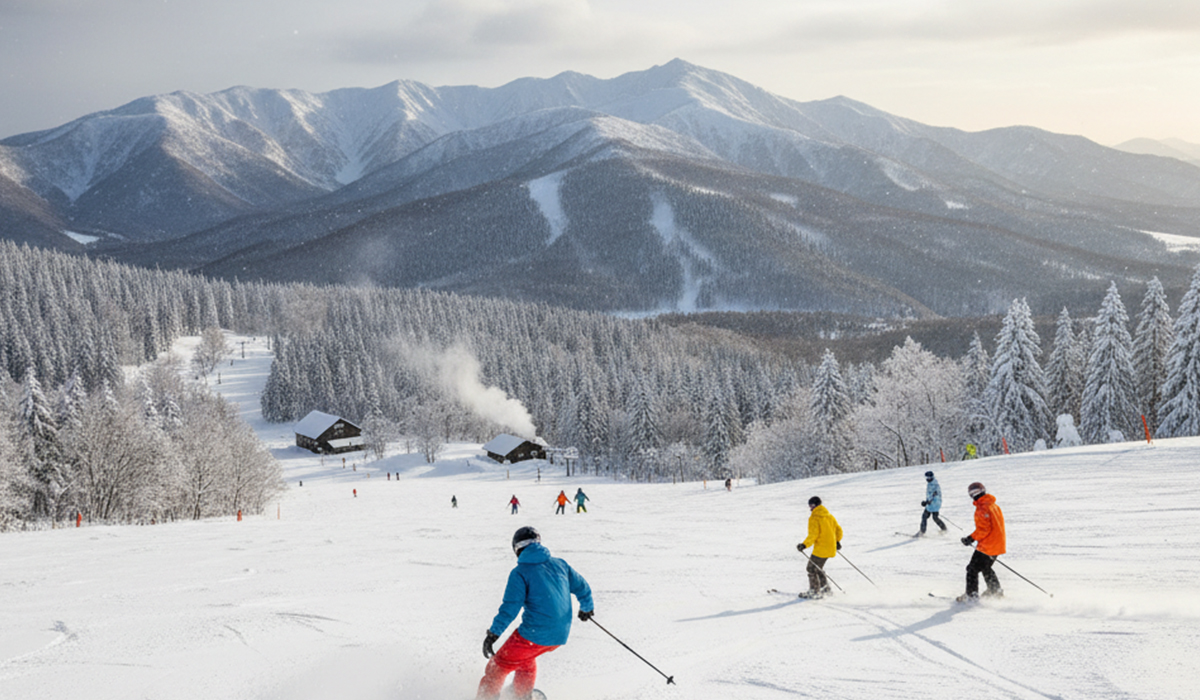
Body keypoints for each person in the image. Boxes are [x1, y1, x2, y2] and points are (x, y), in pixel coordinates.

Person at [478, 526, 594, 700]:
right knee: (525, 659)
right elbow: (582, 587)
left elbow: (510, 608)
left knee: (498, 666)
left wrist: (493, 634)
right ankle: (521, 694)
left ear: (517, 549)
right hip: (559, 636)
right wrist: (587, 607)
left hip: (535, 634)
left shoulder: (520, 573)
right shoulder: (560, 564)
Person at [958, 481, 1005, 602]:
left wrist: (970, 538)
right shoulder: (993, 505)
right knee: (985, 567)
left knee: (972, 569)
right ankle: (995, 590)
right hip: (998, 544)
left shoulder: (982, 508)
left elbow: (983, 530)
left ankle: (971, 596)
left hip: (987, 546)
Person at [796, 496, 842, 598]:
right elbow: (838, 530)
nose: (810, 508)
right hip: (830, 548)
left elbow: (813, 535)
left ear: (817, 505)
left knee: (811, 568)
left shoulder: (814, 517)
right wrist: (837, 542)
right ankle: (825, 589)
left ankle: (814, 591)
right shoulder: (829, 516)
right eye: (809, 505)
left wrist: (804, 545)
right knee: (818, 568)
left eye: (812, 505)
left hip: (821, 549)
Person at [919, 471, 947, 536]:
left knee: (925, 516)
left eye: (928, 477)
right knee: (934, 517)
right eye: (926, 477)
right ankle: (944, 528)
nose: (927, 479)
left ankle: (922, 532)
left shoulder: (934, 485)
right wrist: (927, 501)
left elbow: (935, 494)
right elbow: (930, 494)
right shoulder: (931, 483)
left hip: (934, 504)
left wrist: (927, 502)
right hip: (934, 504)